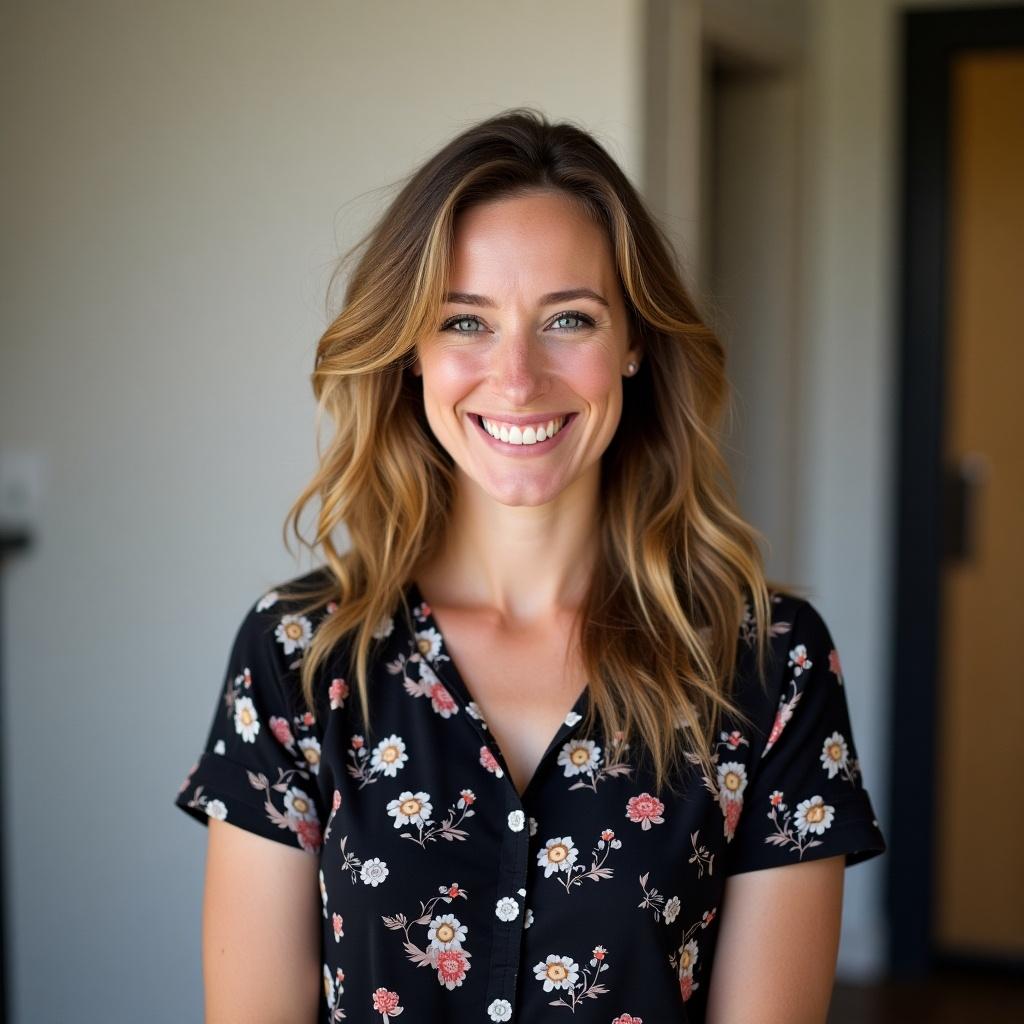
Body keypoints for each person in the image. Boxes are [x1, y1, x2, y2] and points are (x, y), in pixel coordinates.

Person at [174, 108, 886, 1023]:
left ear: (634, 342)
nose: (515, 378)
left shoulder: (768, 662)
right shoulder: (302, 655)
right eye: (466, 320)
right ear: (411, 351)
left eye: (568, 319)